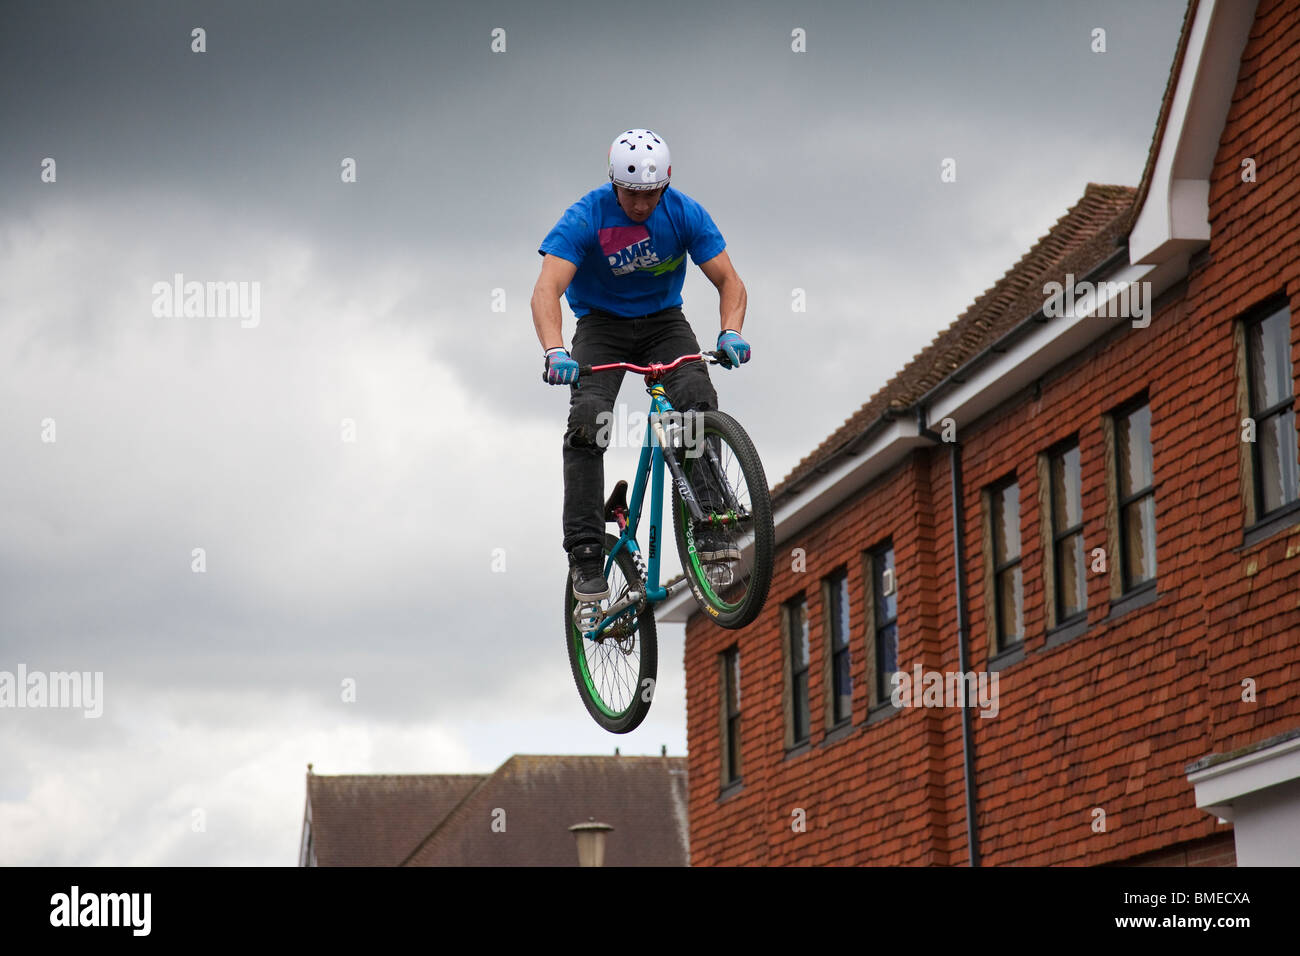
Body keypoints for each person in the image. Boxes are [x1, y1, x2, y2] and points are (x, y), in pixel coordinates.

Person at [532, 128, 752, 602]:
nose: (640, 204)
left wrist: (730, 331)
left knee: (696, 400)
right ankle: (587, 553)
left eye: (650, 194)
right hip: (601, 327)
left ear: (665, 184)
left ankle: (711, 525)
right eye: (631, 194)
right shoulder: (585, 217)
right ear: (616, 185)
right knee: (589, 422)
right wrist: (555, 351)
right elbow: (545, 288)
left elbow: (730, 281)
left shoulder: (684, 213)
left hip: (662, 324)